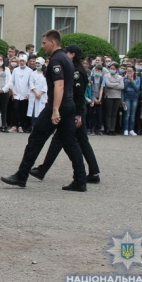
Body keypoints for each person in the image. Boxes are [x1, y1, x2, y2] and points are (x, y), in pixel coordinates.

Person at [0, 29, 87, 192]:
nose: (43, 46)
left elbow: (59, 85)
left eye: (45, 43)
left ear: (53, 42)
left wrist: (55, 110)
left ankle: (21, 176)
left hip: (58, 105)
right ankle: (80, 180)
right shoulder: (66, 59)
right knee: (70, 143)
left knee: (36, 139)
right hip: (68, 105)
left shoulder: (56, 60)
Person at [30, 44, 101, 184]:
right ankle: (93, 172)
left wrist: (78, 115)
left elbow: (79, 95)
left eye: (67, 53)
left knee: (61, 141)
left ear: (72, 54)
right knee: (78, 141)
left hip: (74, 111)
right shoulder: (72, 69)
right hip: (71, 109)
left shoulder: (77, 71)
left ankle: (43, 170)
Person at [122, 65, 140, 136]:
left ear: (134, 72)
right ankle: (125, 129)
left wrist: (132, 81)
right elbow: (123, 89)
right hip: (127, 97)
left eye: (131, 71)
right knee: (127, 114)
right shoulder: (124, 78)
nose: (129, 72)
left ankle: (131, 129)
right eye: (128, 71)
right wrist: (122, 100)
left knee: (133, 114)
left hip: (135, 97)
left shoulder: (138, 79)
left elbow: (137, 89)